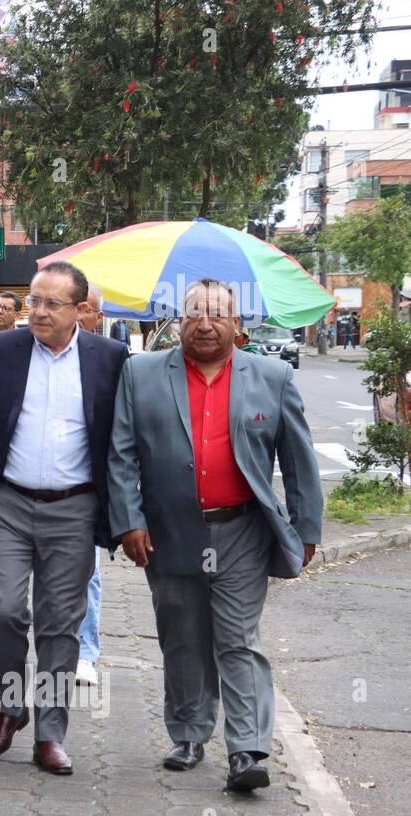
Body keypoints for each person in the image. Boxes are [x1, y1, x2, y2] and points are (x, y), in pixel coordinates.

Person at [109, 278, 322, 790]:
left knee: (237, 639)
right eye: (194, 313)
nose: (205, 323)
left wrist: (306, 526)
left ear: (237, 325)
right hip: (170, 531)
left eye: (217, 314)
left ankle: (247, 750)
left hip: (243, 530)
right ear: (179, 321)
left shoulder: (272, 377)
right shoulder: (140, 373)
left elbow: (298, 459)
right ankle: (187, 733)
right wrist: (129, 521)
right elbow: (121, 454)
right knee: (182, 638)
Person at [0, 262, 129, 775]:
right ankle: (9, 707)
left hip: (75, 508)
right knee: (6, 611)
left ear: (82, 310)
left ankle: (50, 731)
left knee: (61, 626)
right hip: (5, 502)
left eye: (51, 303)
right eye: (33, 300)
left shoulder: (111, 359)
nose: (37, 312)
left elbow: (123, 440)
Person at [74, 284, 110, 687]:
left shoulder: (111, 360)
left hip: (88, 489)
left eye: (88, 309)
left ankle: (85, 653)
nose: (80, 314)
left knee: (88, 573)